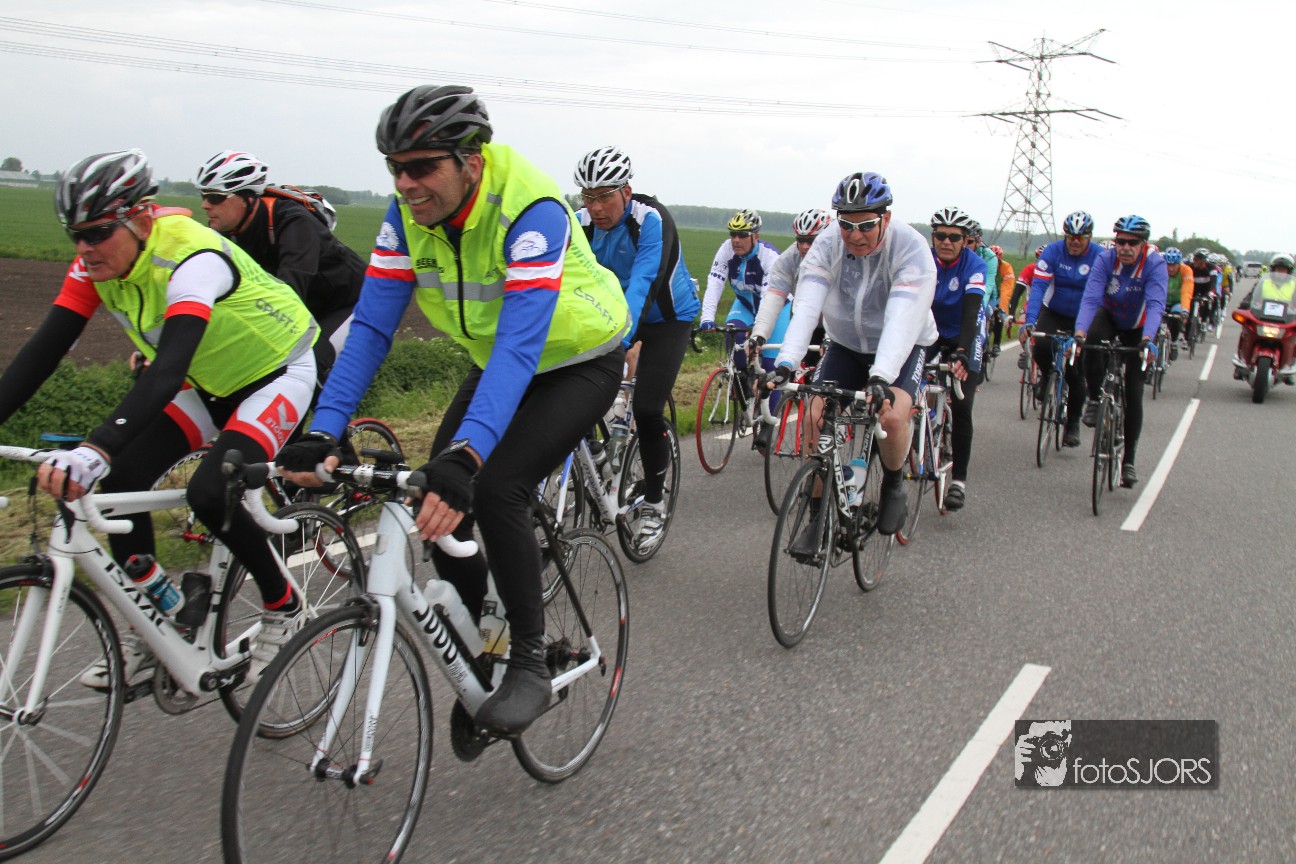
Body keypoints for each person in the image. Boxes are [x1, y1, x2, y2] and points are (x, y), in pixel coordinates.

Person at [276, 85, 630, 736]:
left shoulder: (530, 208)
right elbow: (371, 328)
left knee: (494, 486)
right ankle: (488, 645)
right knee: (435, 504)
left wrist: (467, 457)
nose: (405, 183)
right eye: (395, 168)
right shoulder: (408, 212)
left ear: (472, 160)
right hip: (500, 357)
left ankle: (528, 661)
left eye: (421, 166)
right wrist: (322, 429)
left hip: (579, 357)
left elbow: (522, 344)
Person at [0, 149, 320, 685]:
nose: (84, 248)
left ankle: (283, 603)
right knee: (118, 482)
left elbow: (166, 371)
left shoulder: (193, 258)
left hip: (275, 375)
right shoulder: (93, 266)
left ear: (142, 218)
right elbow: (43, 352)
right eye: (75, 235)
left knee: (209, 493)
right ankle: (161, 616)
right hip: (208, 383)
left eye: (97, 233)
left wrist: (95, 447)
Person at [767, 172, 938, 546]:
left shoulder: (910, 248)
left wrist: (880, 377)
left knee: (892, 416)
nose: (855, 236)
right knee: (813, 416)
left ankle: (893, 484)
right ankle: (817, 518)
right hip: (845, 343)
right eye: (846, 225)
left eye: (866, 226)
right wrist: (787, 362)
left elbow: (901, 319)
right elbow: (807, 306)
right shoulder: (828, 243)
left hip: (903, 345)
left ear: (885, 218)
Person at [572, 145, 699, 549]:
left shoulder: (651, 220)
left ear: (626, 191)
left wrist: (623, 341)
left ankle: (654, 504)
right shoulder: (579, 223)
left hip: (667, 319)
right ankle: (598, 454)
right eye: (588, 196)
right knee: (569, 383)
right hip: (616, 315)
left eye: (604, 196)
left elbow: (644, 283)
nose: (595, 207)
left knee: (646, 408)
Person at [195, 150, 362, 367]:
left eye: (215, 197)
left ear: (247, 198)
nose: (205, 205)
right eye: (203, 196)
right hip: (312, 305)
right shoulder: (227, 232)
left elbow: (290, 292)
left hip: (352, 302)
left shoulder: (294, 222)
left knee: (311, 362)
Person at [1075, 215, 1168, 489]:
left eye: (1132, 243)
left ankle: (1129, 460)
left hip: (1139, 327)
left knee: (1134, 389)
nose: (1125, 248)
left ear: (1144, 244)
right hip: (1111, 316)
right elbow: (1091, 298)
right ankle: (1095, 398)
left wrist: (1148, 339)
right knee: (1091, 342)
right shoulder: (1106, 259)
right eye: (1120, 241)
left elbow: (1156, 303)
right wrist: (1079, 333)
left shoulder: (1155, 263)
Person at [746, 206, 834, 452]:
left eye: (811, 241)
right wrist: (758, 336)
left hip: (835, 325)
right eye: (800, 240)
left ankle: (832, 423)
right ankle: (773, 420)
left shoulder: (840, 258)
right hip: (805, 320)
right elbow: (773, 300)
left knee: (826, 383)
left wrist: (830, 338)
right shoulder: (788, 260)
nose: (804, 247)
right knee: (790, 372)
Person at [1021, 210, 1101, 448]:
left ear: (1089, 237)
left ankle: (1073, 423)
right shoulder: (1053, 251)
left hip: (1083, 317)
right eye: (1070, 237)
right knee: (1041, 346)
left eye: (1080, 238)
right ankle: (1048, 375)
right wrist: (1030, 320)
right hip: (1054, 311)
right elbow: (1038, 288)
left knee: (1076, 372)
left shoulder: (1099, 256)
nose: (1075, 242)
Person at [926, 206, 987, 511]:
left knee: (962, 406)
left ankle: (958, 481)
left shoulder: (975, 265)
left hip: (965, 332)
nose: (946, 242)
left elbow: (972, 311)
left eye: (954, 237)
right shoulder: (924, 260)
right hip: (931, 331)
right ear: (933, 238)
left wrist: (962, 351)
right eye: (940, 236)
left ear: (965, 240)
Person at [699, 209, 787, 407]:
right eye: (733, 234)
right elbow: (715, 282)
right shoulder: (726, 250)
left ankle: (770, 420)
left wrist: (758, 330)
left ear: (755, 236)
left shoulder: (770, 256)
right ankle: (743, 380)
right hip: (745, 303)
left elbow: (768, 298)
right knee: (733, 334)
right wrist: (707, 318)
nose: (736, 240)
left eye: (742, 235)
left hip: (775, 308)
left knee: (770, 366)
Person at [1234, 253, 1296, 384]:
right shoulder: (1263, 282)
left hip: (1285, 320)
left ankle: (1290, 366)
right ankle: (1241, 361)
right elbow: (1251, 296)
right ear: (1273, 270)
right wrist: (1245, 304)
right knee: (1245, 329)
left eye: (1283, 270)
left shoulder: (1294, 285)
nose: (1281, 273)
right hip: (1262, 318)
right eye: (1278, 269)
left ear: (1289, 272)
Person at [1161, 247, 1194, 359]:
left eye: (1173, 265)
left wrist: (1185, 310)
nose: (1170, 268)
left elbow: (1186, 291)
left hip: (1177, 301)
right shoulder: (1160, 269)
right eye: (1168, 265)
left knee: (1176, 318)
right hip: (1162, 301)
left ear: (1179, 264)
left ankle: (1173, 342)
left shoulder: (1186, 270)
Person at [989, 244, 1015, 356]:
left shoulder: (1006, 267)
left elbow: (1007, 289)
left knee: (998, 316)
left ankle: (996, 344)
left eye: (997, 262)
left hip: (999, 296)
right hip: (986, 294)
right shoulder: (983, 264)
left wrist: (1002, 308)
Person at [1189, 248, 1221, 332]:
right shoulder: (1190, 266)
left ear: (1203, 260)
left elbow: (1213, 282)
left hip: (1206, 289)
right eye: (1194, 259)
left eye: (1196, 259)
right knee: (1189, 307)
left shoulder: (1212, 268)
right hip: (1194, 288)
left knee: (1211, 302)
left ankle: (1206, 321)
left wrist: (1211, 292)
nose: (1194, 261)